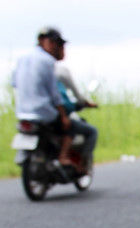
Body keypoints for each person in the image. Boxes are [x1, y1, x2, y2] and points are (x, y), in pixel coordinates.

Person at [12, 27, 79, 171]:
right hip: (43, 111)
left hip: (22, 111)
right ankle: (62, 157)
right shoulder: (47, 60)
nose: (56, 46)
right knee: (69, 127)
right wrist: (63, 116)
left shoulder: (22, 58)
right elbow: (54, 93)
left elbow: (14, 83)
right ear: (43, 41)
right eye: (54, 42)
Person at [54, 42, 98, 165]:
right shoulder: (58, 70)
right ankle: (78, 162)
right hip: (52, 113)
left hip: (27, 114)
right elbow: (58, 97)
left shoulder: (31, 67)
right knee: (75, 127)